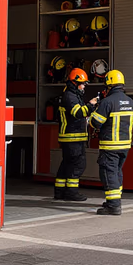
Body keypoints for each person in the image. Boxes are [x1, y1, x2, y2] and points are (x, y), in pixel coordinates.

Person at [89, 70, 133, 216]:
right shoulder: (131, 102)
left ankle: (113, 205)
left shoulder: (107, 102)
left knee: (108, 173)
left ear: (109, 85)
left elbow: (95, 123)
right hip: (125, 146)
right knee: (116, 172)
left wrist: (93, 111)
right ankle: (114, 200)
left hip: (110, 145)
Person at [55, 68, 98, 201]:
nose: (84, 86)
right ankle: (71, 192)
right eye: (83, 83)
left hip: (70, 137)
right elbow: (77, 113)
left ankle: (60, 191)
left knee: (67, 164)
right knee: (78, 164)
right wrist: (91, 105)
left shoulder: (71, 94)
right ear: (75, 82)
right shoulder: (70, 96)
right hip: (72, 137)